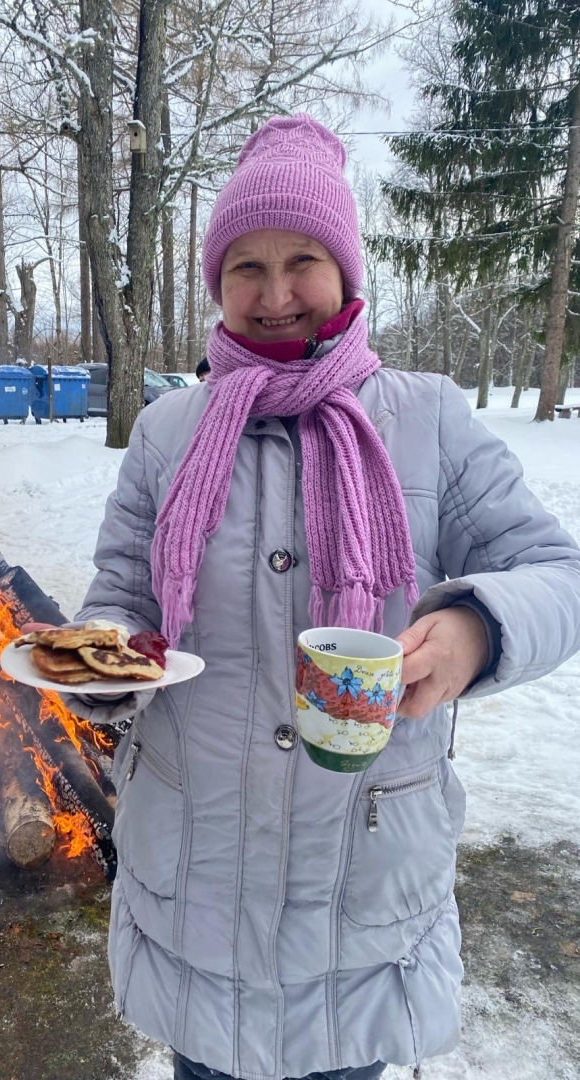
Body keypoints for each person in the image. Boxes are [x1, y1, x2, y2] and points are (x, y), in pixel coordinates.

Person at [63, 116, 580, 1080]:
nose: (274, 293)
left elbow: (559, 573)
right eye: (244, 268)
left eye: (302, 259)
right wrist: (102, 659)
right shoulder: (169, 431)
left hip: (359, 900)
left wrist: (475, 628)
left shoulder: (425, 419)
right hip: (195, 892)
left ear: (345, 272)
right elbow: (121, 591)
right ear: (216, 283)